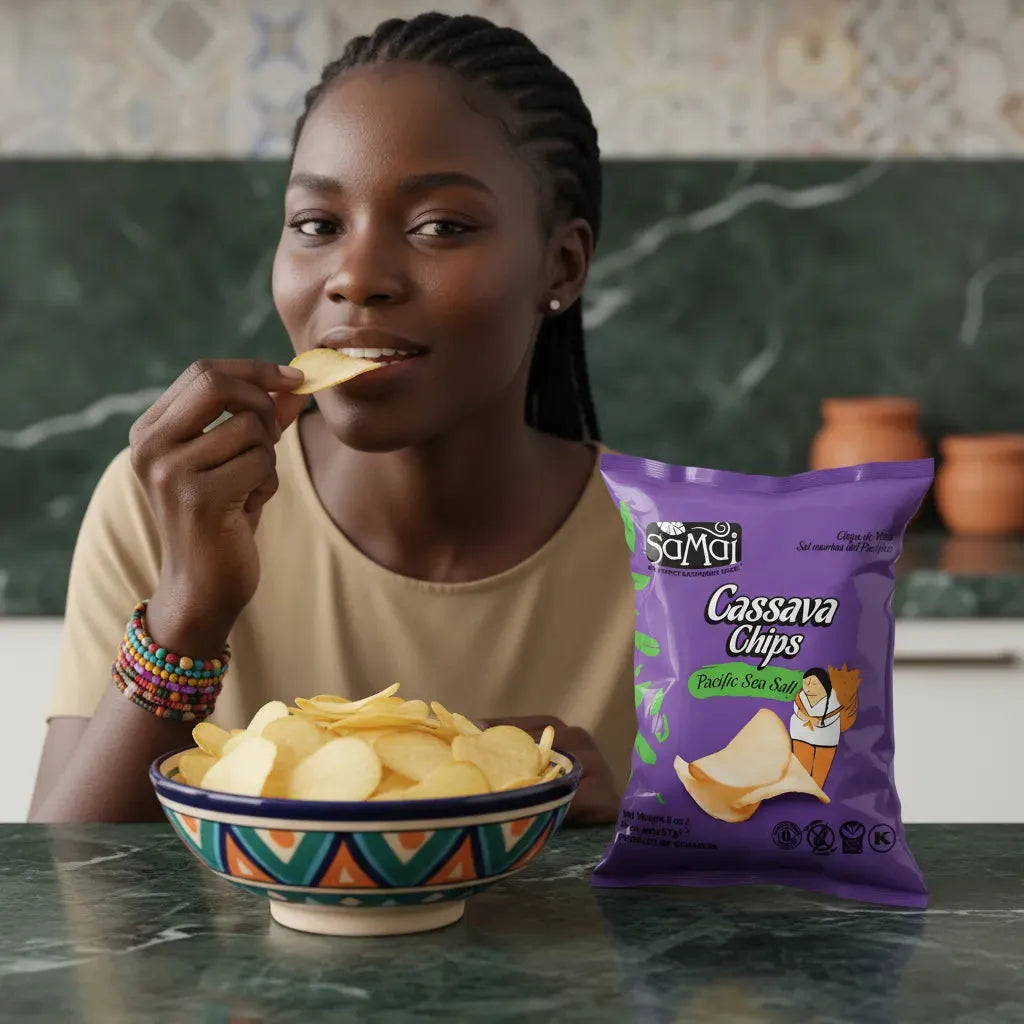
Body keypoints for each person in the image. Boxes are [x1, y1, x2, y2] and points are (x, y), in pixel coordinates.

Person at [29, 12, 636, 825]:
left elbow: (778, 919)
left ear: (561, 265)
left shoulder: (687, 559)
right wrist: (188, 615)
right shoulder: (167, 505)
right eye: (317, 226)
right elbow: (67, 903)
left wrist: (640, 833)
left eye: (440, 227)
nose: (355, 277)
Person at [790, 667, 842, 788]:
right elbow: (797, 710)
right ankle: (800, 793)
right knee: (802, 770)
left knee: (820, 773)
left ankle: (817, 794)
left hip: (825, 741)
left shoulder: (834, 701)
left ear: (825, 684)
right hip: (801, 736)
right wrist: (805, 717)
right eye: (806, 683)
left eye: (814, 683)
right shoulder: (800, 697)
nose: (808, 687)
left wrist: (816, 721)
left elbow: (831, 718)